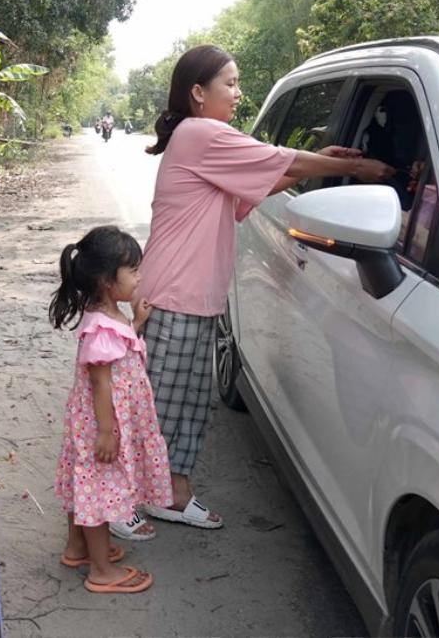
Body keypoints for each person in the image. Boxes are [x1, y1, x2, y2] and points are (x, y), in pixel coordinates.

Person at [119, 45, 393, 538]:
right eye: (231, 82)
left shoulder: (200, 139)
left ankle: (171, 495)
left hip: (192, 294)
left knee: (183, 403)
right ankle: (119, 501)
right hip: (175, 292)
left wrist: (322, 162)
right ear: (198, 93)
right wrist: (354, 169)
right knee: (159, 405)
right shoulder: (201, 132)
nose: (238, 93)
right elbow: (276, 159)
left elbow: (261, 182)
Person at [50, 225, 171, 594]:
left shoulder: (106, 314)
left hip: (95, 421)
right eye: (133, 271)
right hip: (102, 424)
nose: (139, 278)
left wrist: (136, 322)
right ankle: (101, 571)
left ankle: (78, 548)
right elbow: (101, 383)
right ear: (106, 280)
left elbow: (119, 351)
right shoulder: (102, 328)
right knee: (99, 493)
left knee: (82, 484)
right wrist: (106, 431)